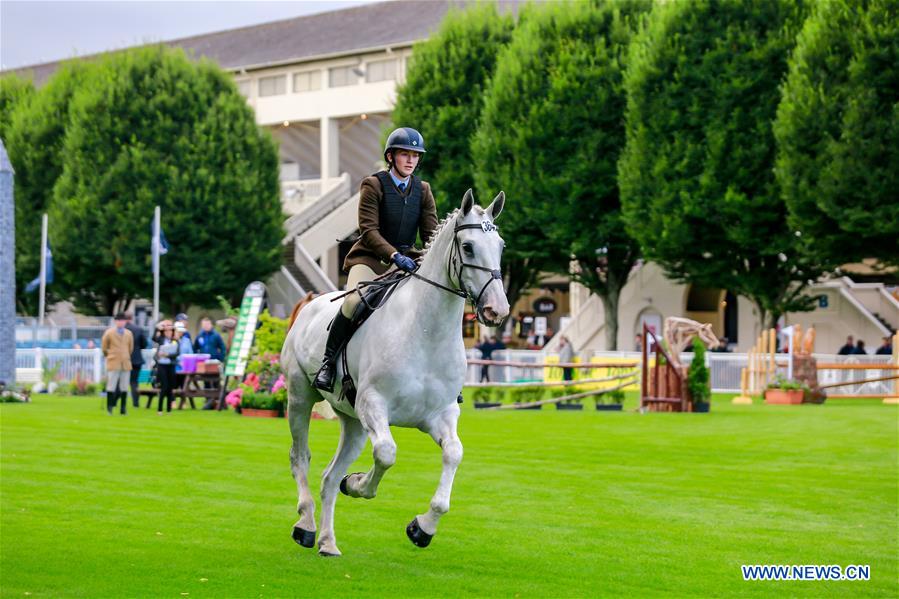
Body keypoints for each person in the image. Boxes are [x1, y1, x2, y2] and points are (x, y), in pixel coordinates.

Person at [313, 126, 437, 392]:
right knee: (353, 301)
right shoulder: (374, 184)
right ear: (391, 157)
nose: (411, 161)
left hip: (407, 258)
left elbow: (430, 234)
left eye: (415, 156)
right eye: (405, 154)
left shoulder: (423, 190)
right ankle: (327, 363)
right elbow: (368, 230)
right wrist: (392, 255)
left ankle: (439, 375)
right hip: (371, 258)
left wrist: (431, 258)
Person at [100, 313, 133, 415]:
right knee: (111, 386)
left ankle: (123, 408)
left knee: (124, 387)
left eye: (123, 320)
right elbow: (104, 348)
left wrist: (125, 355)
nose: (121, 322)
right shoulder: (109, 333)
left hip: (125, 362)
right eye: (119, 320)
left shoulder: (128, 333)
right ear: (116, 321)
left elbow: (130, 348)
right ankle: (109, 408)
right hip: (113, 362)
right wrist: (110, 355)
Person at [154, 320, 178, 414]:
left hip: (171, 365)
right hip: (162, 365)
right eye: (166, 331)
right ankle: (160, 409)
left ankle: (169, 410)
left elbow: (177, 353)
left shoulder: (175, 341)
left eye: (170, 331)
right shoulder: (161, 339)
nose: (168, 332)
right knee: (164, 387)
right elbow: (154, 337)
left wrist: (167, 354)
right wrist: (158, 327)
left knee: (170, 388)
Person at [124, 312, 147, 408]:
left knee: (121, 381)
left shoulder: (122, 330)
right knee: (134, 382)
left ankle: (116, 400)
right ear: (132, 318)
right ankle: (136, 403)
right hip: (137, 359)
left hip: (125, 358)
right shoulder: (138, 329)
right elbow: (144, 344)